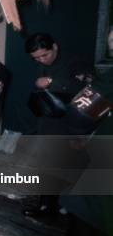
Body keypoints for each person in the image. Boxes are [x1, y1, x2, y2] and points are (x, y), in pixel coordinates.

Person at [23, 32, 94, 218]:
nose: (41, 60)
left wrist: (53, 82)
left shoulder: (76, 61)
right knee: (48, 165)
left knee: (66, 166)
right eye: (36, 58)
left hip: (71, 125)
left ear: (55, 46)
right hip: (49, 123)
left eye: (44, 55)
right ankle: (47, 205)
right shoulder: (43, 64)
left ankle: (58, 207)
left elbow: (89, 90)